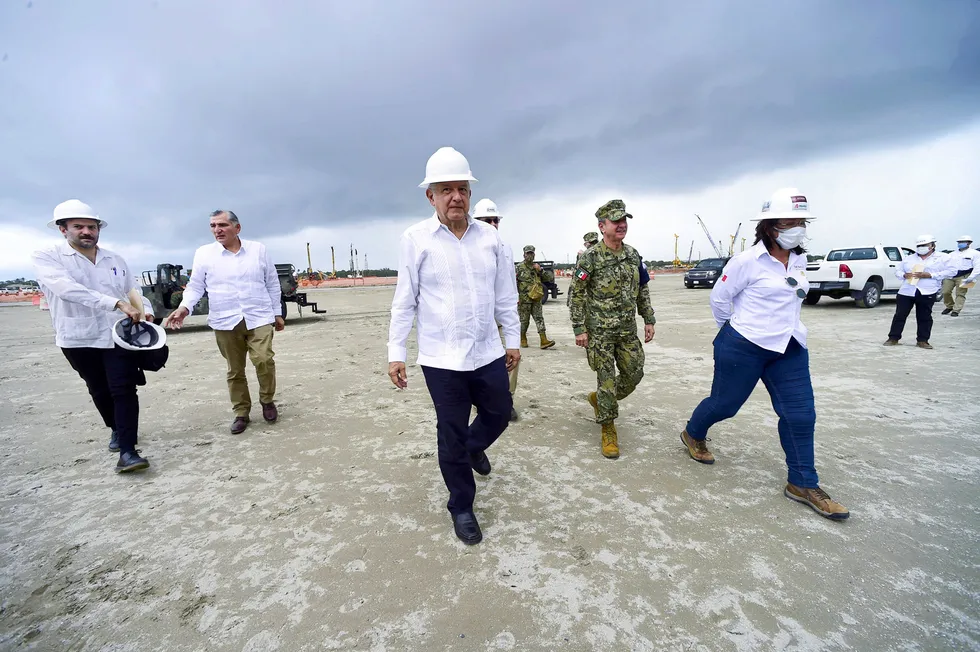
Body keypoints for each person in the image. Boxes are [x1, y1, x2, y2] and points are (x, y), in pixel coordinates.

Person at [679, 188, 849, 521]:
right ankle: (693, 433)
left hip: (789, 347)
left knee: (801, 415)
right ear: (770, 226)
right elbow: (720, 299)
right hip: (743, 345)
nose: (797, 228)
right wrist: (735, 331)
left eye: (801, 221)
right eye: (790, 222)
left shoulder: (799, 260)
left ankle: (802, 483)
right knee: (725, 405)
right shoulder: (745, 261)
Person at [387, 147, 521, 546]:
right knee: (450, 430)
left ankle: (470, 448)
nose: (456, 197)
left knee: (499, 412)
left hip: (487, 352)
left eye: (461, 188)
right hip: (441, 358)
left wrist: (511, 340)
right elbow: (404, 299)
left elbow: (505, 297)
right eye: (445, 190)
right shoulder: (415, 239)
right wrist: (396, 352)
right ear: (430, 196)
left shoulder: (491, 239)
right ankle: (461, 505)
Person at [31, 199, 155, 473]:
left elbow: (132, 288)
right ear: (63, 229)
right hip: (77, 336)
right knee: (98, 389)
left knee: (123, 388)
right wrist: (117, 304)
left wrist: (144, 309)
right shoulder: (47, 256)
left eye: (91, 226)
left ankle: (128, 450)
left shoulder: (114, 259)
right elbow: (66, 289)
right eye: (79, 226)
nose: (86, 231)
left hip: (116, 335)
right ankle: (115, 428)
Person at [164, 210, 284, 433]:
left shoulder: (258, 250)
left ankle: (267, 400)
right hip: (225, 319)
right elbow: (196, 286)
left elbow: (272, 283)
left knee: (264, 360)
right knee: (235, 370)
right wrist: (184, 307)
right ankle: (241, 412)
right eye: (213, 226)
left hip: (258, 315)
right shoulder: (204, 254)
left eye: (222, 225)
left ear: (237, 228)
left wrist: (277, 313)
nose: (217, 230)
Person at [569, 199, 655, 459]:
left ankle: (600, 400)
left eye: (623, 220)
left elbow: (642, 288)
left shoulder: (632, 255)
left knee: (634, 373)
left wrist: (648, 318)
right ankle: (607, 427)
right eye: (615, 221)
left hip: (627, 331)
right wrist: (579, 329)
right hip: (600, 333)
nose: (621, 225)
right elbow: (576, 295)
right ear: (601, 226)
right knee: (606, 380)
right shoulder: (591, 258)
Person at [473, 198, 520, 422]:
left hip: (502, 312)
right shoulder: (467, 246)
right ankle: (480, 400)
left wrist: (513, 303)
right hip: (479, 314)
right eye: (486, 220)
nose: (492, 224)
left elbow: (508, 279)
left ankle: (507, 399)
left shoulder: (505, 247)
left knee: (510, 357)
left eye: (495, 220)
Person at [884, 235, 955, 349]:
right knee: (900, 315)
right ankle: (893, 338)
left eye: (924, 245)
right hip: (907, 290)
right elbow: (898, 270)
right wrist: (904, 275)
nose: (921, 247)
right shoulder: (909, 258)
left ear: (932, 245)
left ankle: (923, 340)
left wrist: (931, 275)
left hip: (927, 290)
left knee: (924, 316)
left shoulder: (943, 257)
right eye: (919, 245)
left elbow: (952, 271)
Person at [516, 245, 556, 349]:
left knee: (539, 318)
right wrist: (516, 297)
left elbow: (549, 278)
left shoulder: (537, 267)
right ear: (524, 255)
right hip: (524, 299)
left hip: (536, 298)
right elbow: (513, 283)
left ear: (534, 255)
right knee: (524, 321)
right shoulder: (519, 267)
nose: (529, 255)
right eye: (527, 253)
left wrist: (540, 270)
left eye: (531, 253)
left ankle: (543, 340)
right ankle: (523, 338)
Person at [941, 235, 980, 317]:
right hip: (951, 275)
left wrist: (971, 277)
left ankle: (956, 310)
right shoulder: (952, 254)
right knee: (945, 291)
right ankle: (949, 306)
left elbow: (978, 266)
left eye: (963, 242)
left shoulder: (975, 253)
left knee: (960, 293)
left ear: (969, 243)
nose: (960, 244)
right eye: (959, 242)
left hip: (965, 275)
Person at [566, 231, 600, 308]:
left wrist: (582, 258)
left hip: (588, 295)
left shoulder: (587, 257)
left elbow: (580, 278)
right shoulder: (601, 254)